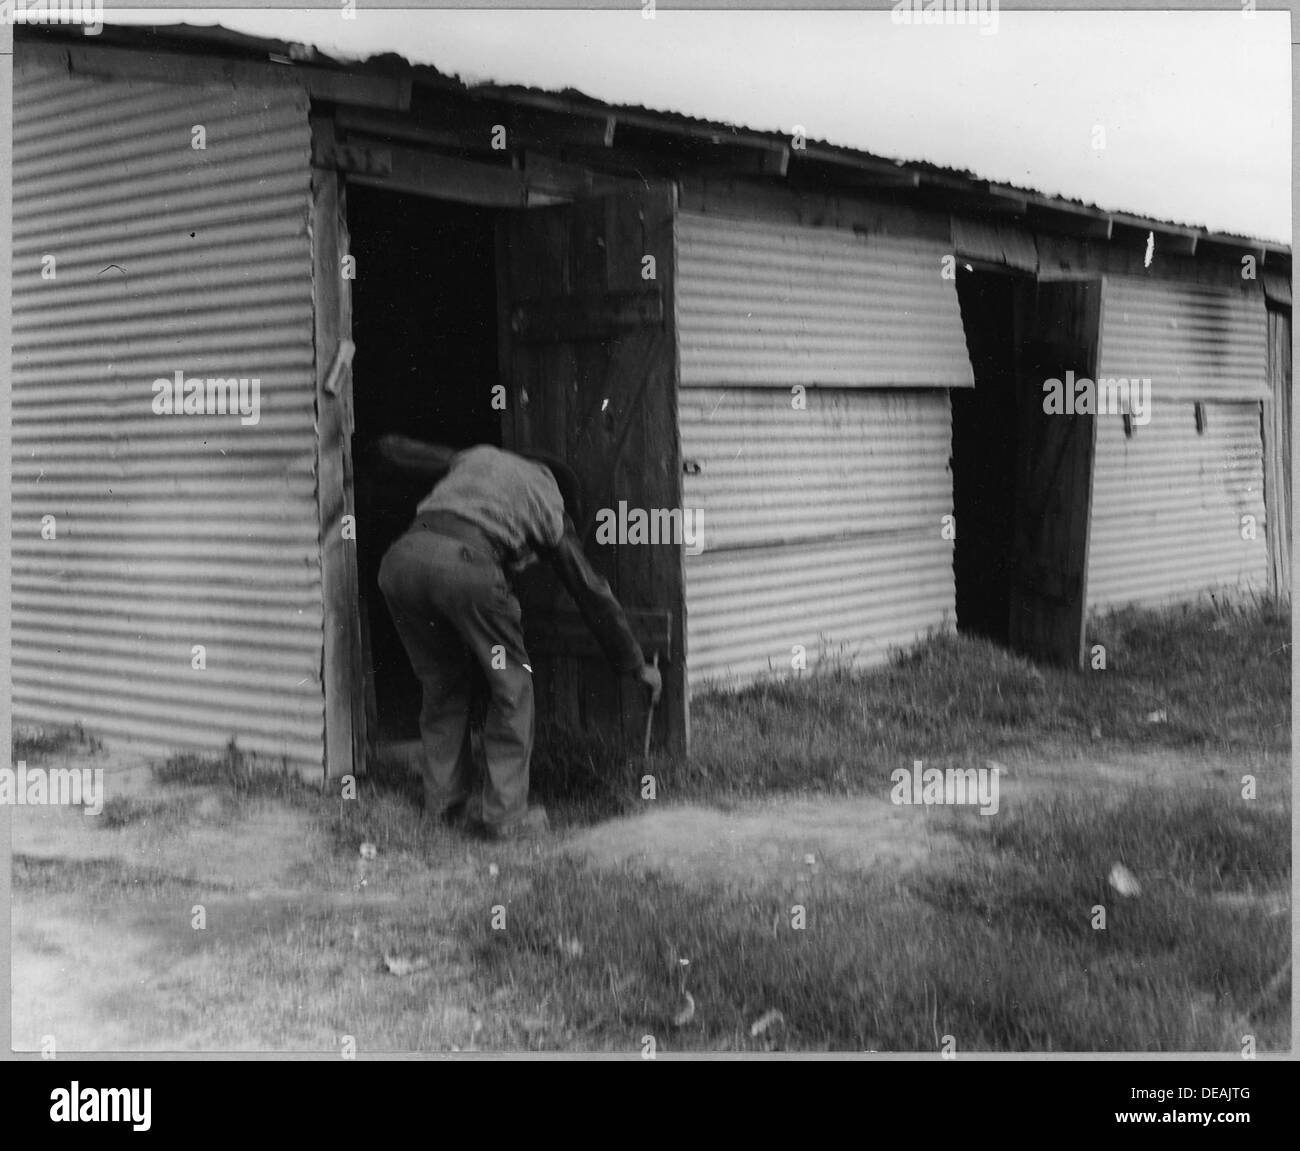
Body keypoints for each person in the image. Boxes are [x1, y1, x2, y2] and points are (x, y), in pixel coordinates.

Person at [373, 435, 662, 841]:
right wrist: (634, 663)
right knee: (512, 686)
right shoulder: (546, 495)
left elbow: (400, 451)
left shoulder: (478, 458)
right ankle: (505, 816)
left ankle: (443, 805)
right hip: (465, 566)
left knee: (442, 683)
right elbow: (588, 589)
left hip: (400, 563)